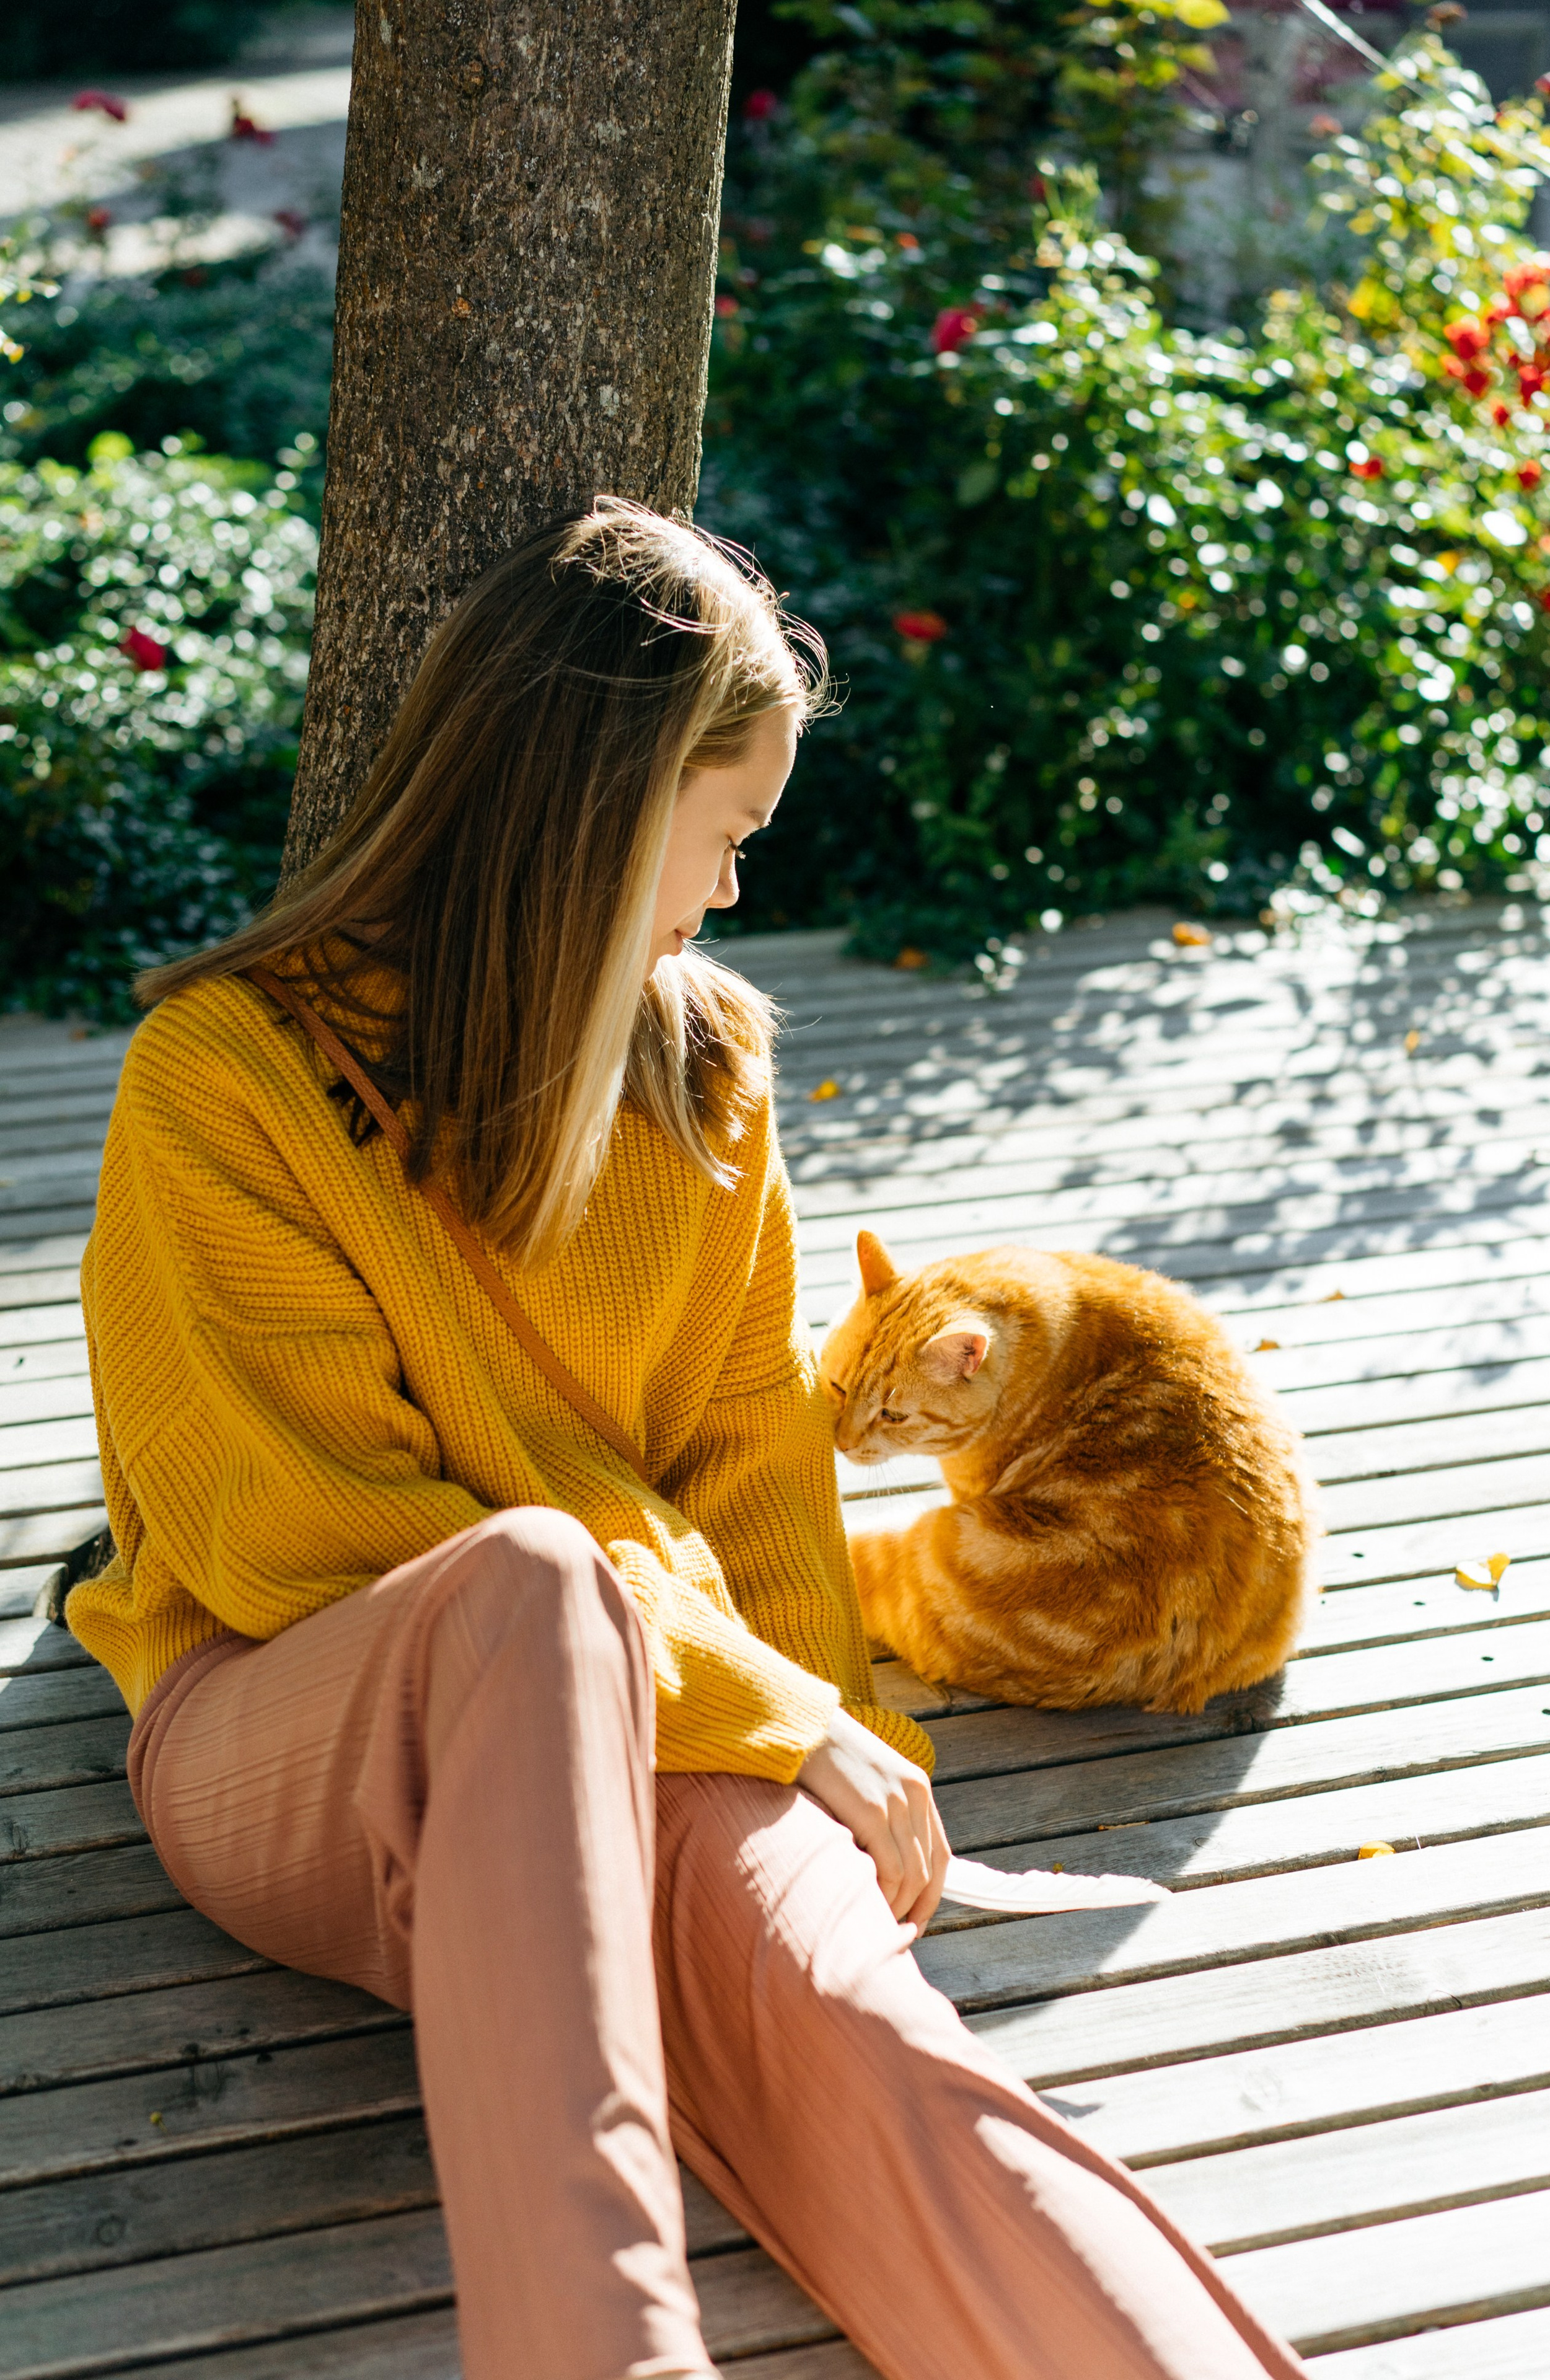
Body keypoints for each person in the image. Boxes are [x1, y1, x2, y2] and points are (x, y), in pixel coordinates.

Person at [72, 501, 1304, 2380]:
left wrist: (837, 1750)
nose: (729, 892)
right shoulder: (224, 1082)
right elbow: (296, 1538)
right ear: (595, 808)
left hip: (660, 1712)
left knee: (864, 2035)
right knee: (531, 1582)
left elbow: (758, 1471)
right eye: (726, 833)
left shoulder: (709, 1069)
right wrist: (774, 1714)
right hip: (293, 1728)